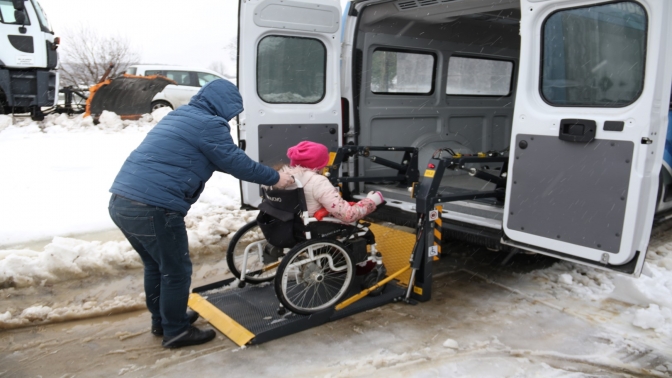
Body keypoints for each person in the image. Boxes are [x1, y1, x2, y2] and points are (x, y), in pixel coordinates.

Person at [108, 79, 293, 349]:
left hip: (123, 201)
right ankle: (176, 331)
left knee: (156, 266)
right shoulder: (209, 124)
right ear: (224, 106)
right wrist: (274, 177)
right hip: (153, 207)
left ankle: (163, 320)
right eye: (232, 112)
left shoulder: (181, 116)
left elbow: (201, 157)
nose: (230, 118)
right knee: (176, 271)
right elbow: (234, 161)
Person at [277, 141, 384, 222]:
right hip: (313, 229)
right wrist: (371, 201)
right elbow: (348, 215)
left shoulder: (280, 178)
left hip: (290, 226)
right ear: (320, 164)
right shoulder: (318, 182)